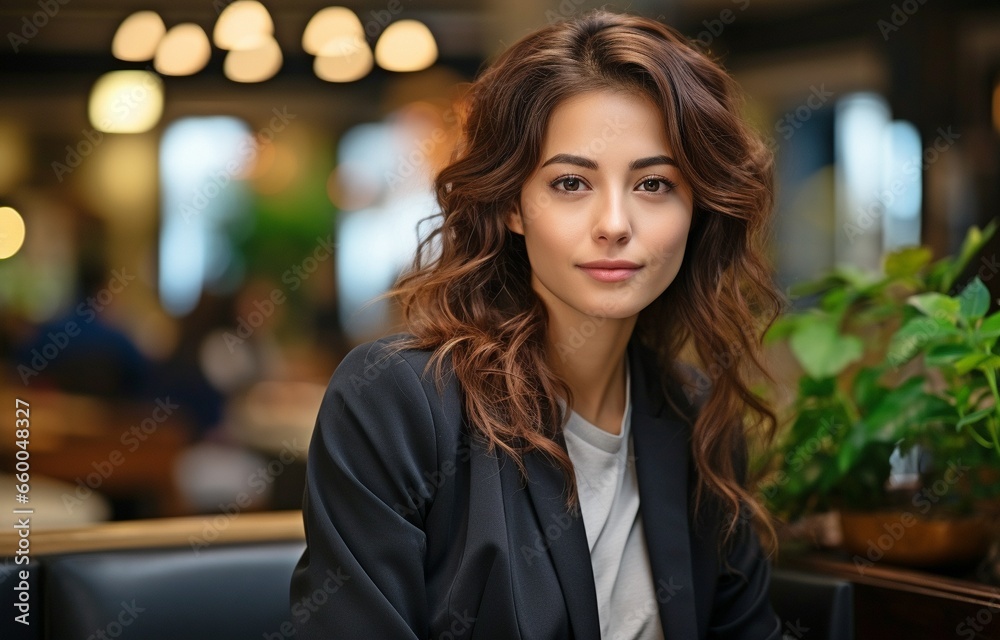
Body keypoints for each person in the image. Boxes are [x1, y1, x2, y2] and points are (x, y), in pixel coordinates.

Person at [291, 10, 784, 639]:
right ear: (513, 205)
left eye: (654, 183)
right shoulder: (397, 402)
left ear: (696, 210)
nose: (614, 223)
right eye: (571, 182)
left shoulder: (695, 416)